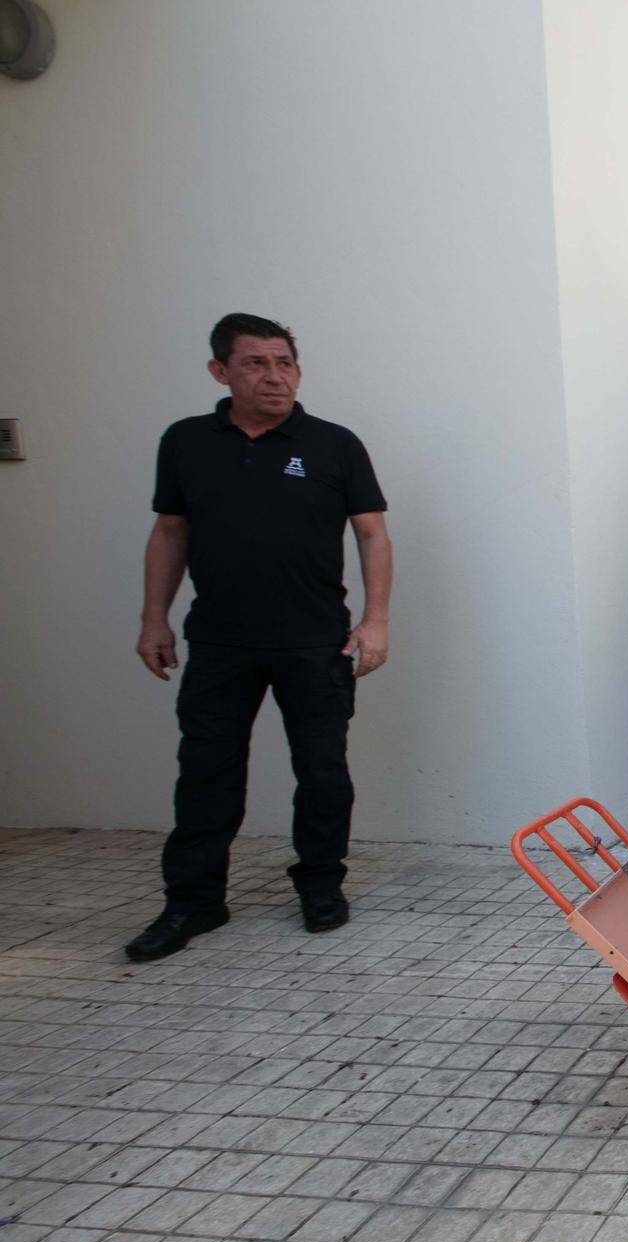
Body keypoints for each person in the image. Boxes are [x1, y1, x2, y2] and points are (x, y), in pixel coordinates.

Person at [128, 314, 393, 962]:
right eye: (255, 363)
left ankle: (321, 886)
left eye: (284, 363)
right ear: (220, 371)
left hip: (315, 641)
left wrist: (376, 621)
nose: (274, 376)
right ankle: (193, 899)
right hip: (220, 641)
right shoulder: (187, 442)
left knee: (323, 771)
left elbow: (371, 534)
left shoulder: (334, 445)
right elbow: (170, 531)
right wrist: (153, 618)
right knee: (206, 772)